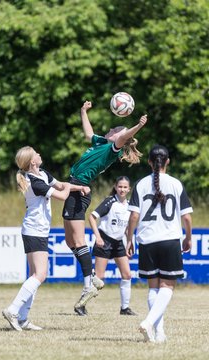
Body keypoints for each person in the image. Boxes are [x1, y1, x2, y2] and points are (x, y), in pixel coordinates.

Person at [62, 100, 148, 316]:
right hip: (73, 187)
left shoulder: (112, 149)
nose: (111, 129)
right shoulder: (101, 143)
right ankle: (90, 281)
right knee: (70, 241)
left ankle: (90, 282)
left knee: (79, 241)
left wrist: (137, 126)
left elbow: (122, 137)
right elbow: (88, 133)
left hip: (79, 190)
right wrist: (83, 111)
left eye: (115, 129)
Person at [2, 146, 90, 331]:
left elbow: (60, 185)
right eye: (36, 153)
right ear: (32, 162)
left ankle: (23, 319)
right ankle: (13, 310)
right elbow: (62, 194)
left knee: (35, 275)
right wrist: (71, 186)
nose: (40, 154)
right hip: (34, 231)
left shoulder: (42, 173)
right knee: (40, 275)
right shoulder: (34, 181)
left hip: (37, 231)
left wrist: (79, 186)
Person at [126, 144, 193, 343]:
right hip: (170, 240)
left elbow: (134, 216)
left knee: (153, 288)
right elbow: (187, 218)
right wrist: (188, 238)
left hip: (147, 241)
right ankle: (148, 323)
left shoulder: (140, 184)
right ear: (168, 162)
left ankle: (159, 333)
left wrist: (129, 238)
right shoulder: (175, 183)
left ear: (148, 162)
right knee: (167, 287)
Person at [89, 176, 137, 316]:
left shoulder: (129, 205)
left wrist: (130, 241)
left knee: (127, 275)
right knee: (99, 278)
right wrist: (97, 237)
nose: (122, 189)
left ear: (129, 189)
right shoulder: (110, 201)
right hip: (104, 240)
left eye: (125, 187)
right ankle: (82, 304)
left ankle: (125, 308)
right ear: (115, 187)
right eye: (120, 186)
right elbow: (92, 217)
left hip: (118, 243)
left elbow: (127, 227)